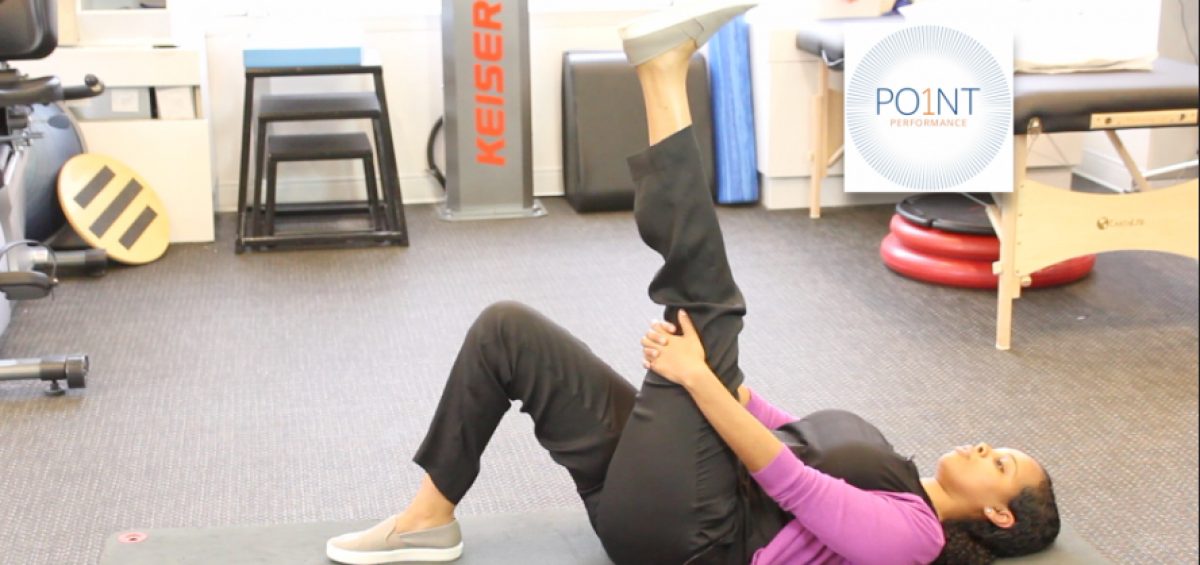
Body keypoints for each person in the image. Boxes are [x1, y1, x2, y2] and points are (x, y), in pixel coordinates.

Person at [325, 1, 1061, 564]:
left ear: (998, 514)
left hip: (697, 539)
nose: (980, 445)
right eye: (996, 443)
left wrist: (698, 378)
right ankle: (429, 517)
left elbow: (791, 482)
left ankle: (661, 74)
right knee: (508, 331)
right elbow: (787, 437)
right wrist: (731, 391)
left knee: (709, 308)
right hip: (673, 494)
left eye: (998, 461)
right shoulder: (896, 468)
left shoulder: (916, 539)